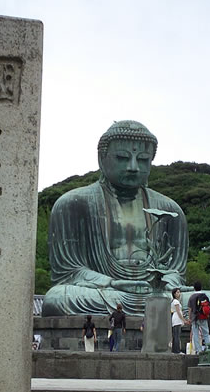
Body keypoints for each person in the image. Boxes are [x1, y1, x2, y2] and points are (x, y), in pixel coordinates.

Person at [42, 120, 189, 316]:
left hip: (155, 292)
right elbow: (69, 272)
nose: (133, 167)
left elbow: (175, 272)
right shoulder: (73, 204)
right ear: (101, 159)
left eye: (143, 159)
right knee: (57, 298)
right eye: (122, 157)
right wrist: (111, 282)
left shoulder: (170, 210)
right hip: (105, 291)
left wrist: (164, 283)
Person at [187, 282, 210, 354]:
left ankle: (198, 350)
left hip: (195, 318)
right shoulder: (204, 296)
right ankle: (208, 348)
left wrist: (189, 318)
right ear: (201, 287)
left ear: (194, 288)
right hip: (203, 316)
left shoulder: (192, 297)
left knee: (195, 334)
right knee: (206, 333)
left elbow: (190, 309)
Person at [171, 287, 187, 354]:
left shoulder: (174, 301)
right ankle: (177, 351)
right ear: (174, 294)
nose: (179, 293)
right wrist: (183, 320)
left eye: (179, 292)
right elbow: (178, 311)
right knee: (177, 335)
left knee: (175, 335)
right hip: (177, 319)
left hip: (176, 318)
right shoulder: (176, 301)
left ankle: (174, 350)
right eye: (177, 292)